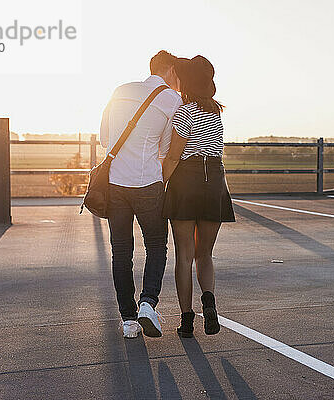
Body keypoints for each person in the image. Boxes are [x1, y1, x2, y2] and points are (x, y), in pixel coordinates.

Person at [99, 50, 182, 338]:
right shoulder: (172, 99)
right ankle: (148, 304)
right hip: (148, 182)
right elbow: (167, 149)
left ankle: (128, 321)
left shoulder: (120, 91)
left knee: (121, 252)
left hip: (115, 183)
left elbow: (105, 139)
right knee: (157, 245)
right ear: (171, 70)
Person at [162, 55, 235, 338]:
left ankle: (187, 320)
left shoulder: (184, 112)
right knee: (205, 254)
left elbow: (172, 157)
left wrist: (158, 186)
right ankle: (209, 301)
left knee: (184, 255)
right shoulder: (215, 111)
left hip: (186, 182)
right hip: (214, 182)